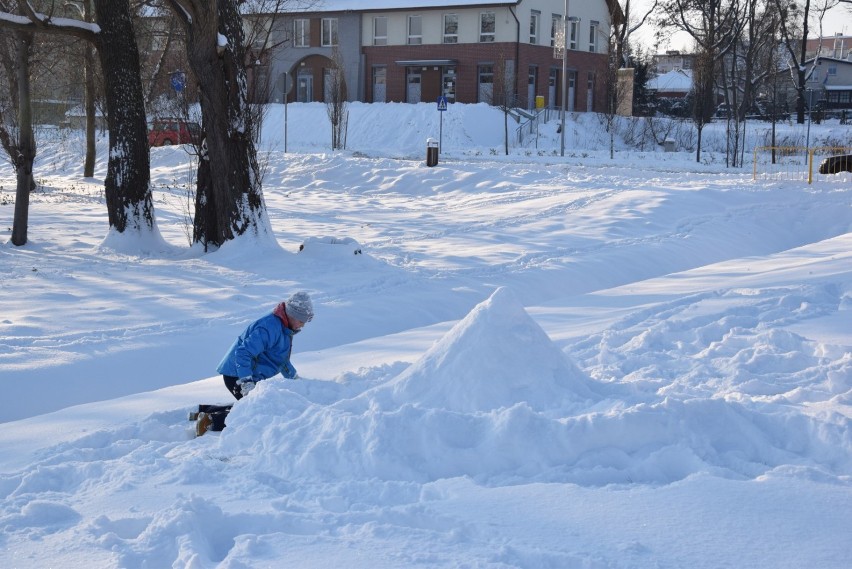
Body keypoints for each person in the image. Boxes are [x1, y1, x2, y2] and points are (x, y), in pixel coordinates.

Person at [195, 291, 314, 436]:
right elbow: (243, 353)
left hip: (249, 375)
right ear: (292, 315)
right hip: (238, 375)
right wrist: (246, 381)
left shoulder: (284, 328)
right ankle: (210, 420)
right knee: (256, 411)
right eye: (301, 321)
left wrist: (295, 380)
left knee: (258, 404)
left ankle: (204, 411)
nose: (302, 325)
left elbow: (281, 360)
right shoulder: (269, 328)